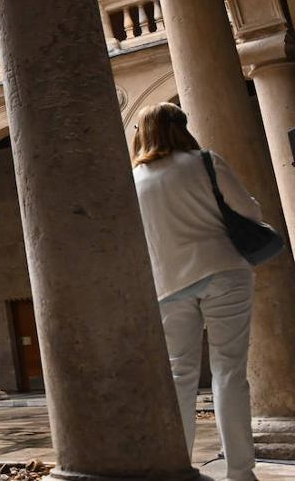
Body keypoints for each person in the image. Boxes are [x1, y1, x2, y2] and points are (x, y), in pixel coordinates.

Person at [131, 102, 259, 481]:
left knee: (178, 377)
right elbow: (249, 212)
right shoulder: (205, 161)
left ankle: (177, 467)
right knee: (229, 372)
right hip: (225, 271)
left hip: (169, 283)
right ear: (181, 126)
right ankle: (240, 472)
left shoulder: (135, 179)